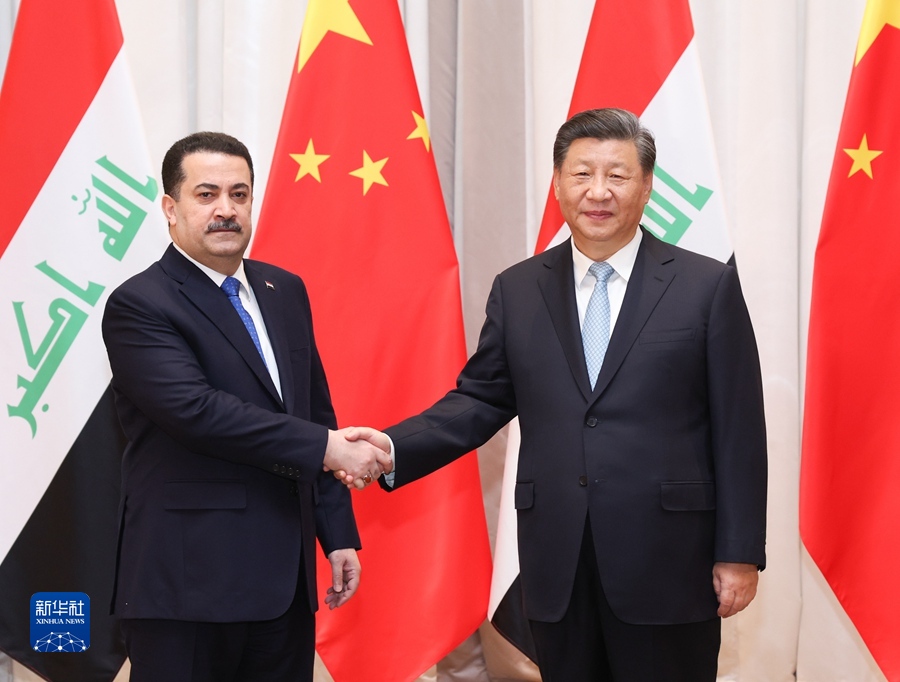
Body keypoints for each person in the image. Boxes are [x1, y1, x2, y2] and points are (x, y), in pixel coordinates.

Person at [346, 109, 767, 681]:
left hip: (669, 562)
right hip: (558, 562)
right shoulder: (519, 289)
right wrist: (392, 447)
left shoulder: (706, 285)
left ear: (646, 186)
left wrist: (738, 551)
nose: (599, 191)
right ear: (558, 184)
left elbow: (740, 430)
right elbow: (480, 400)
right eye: (582, 174)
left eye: (617, 175)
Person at [102, 131, 391, 682]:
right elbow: (197, 412)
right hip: (187, 583)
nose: (226, 210)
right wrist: (329, 448)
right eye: (206, 194)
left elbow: (314, 413)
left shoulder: (285, 290)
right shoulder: (139, 303)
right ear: (170, 207)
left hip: (284, 583)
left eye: (239, 194)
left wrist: (337, 535)